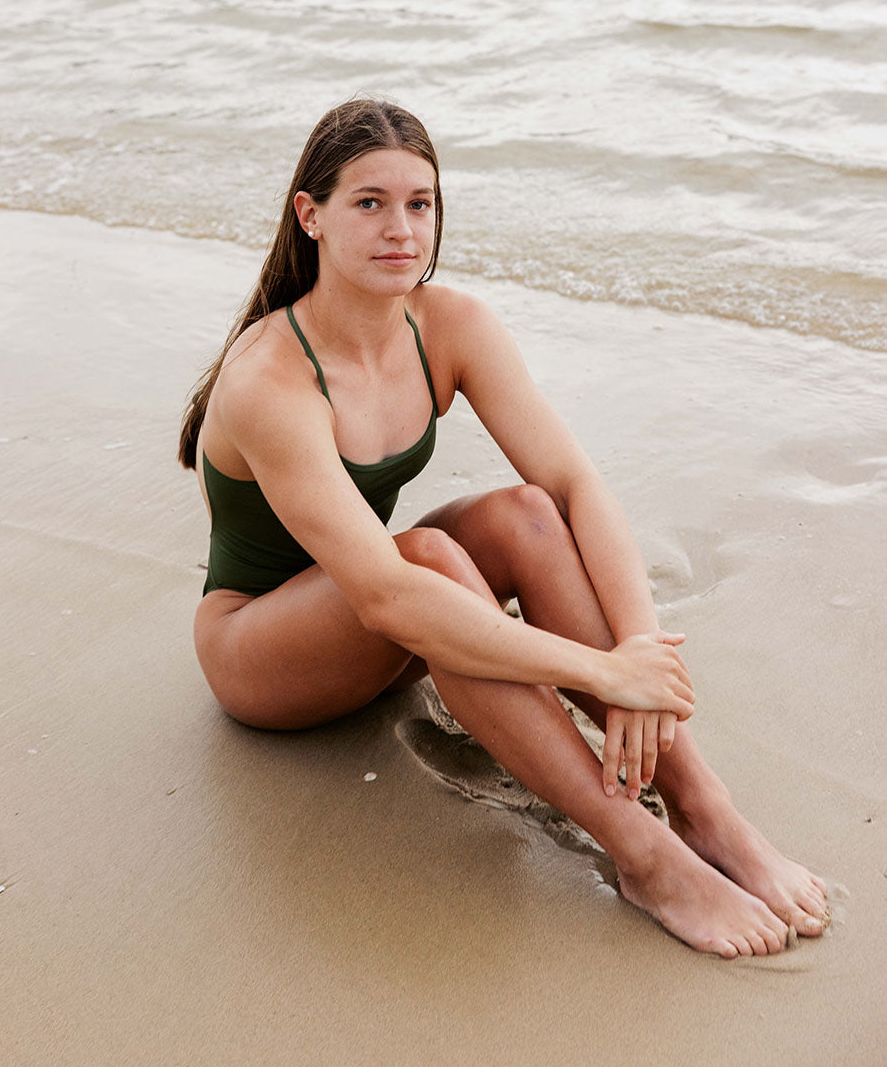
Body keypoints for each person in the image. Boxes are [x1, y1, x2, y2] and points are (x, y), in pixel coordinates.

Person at [178, 98, 828, 957]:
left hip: (386, 614)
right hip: (264, 655)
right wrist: (600, 670)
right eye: (369, 203)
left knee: (523, 514)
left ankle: (703, 807)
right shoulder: (270, 379)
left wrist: (641, 651)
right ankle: (644, 856)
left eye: (421, 203)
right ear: (312, 216)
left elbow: (572, 481)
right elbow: (383, 594)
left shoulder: (448, 326)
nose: (401, 228)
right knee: (431, 562)